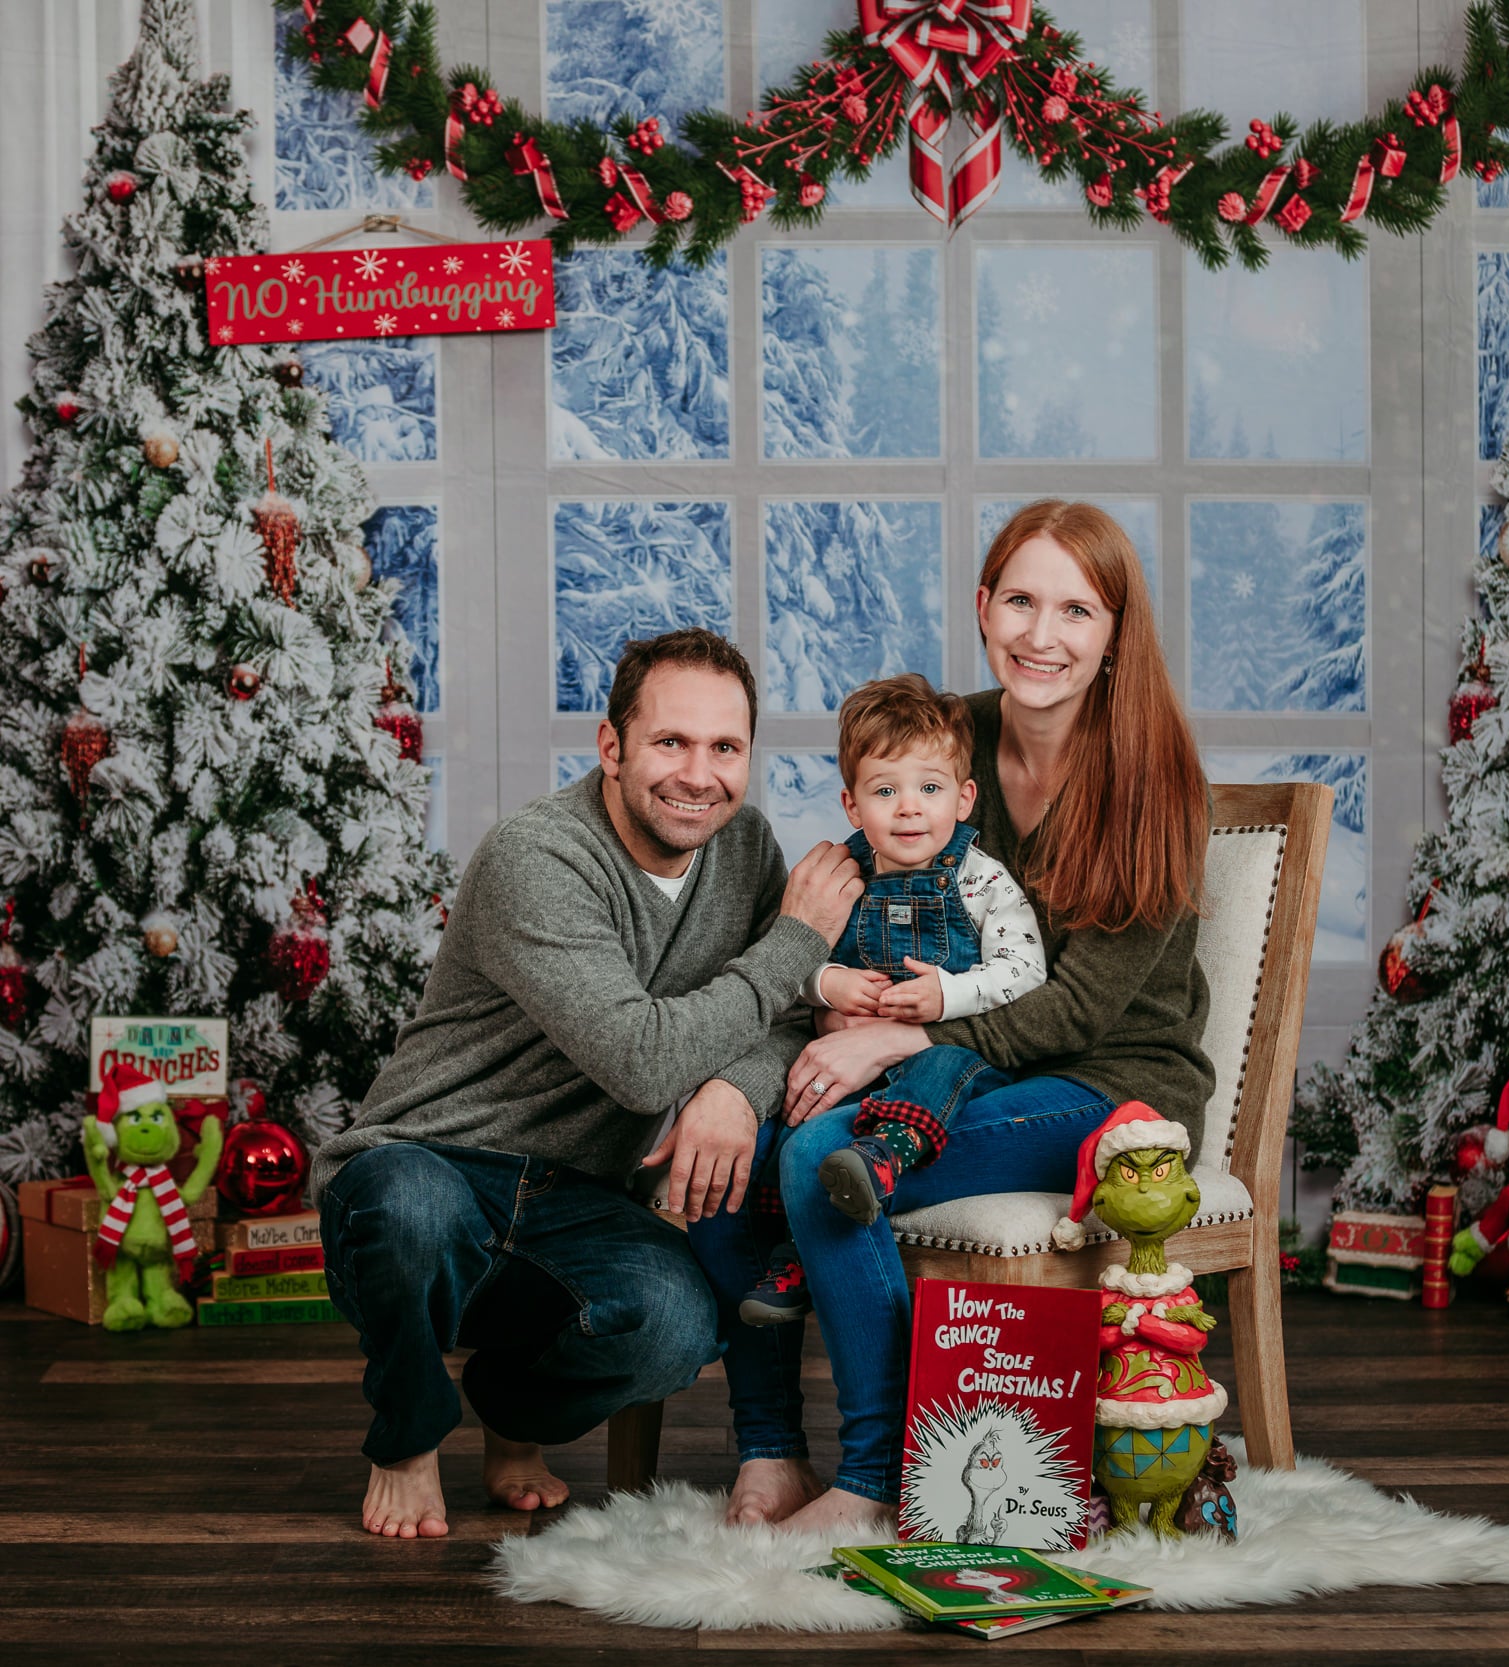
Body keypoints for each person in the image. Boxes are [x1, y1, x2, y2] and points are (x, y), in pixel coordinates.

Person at [689, 500, 1214, 1533]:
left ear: (1114, 635)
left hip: (1107, 1089)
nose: (1041, 634)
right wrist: (822, 958)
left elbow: (1078, 1010)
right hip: (960, 1068)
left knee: (820, 1163)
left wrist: (905, 1034)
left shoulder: (1155, 781)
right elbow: (875, 856)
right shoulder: (947, 734)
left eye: (1076, 610)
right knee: (733, 1152)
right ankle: (769, 1448)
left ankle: (876, 1474)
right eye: (1019, 600)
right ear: (982, 608)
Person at [311, 628, 862, 1539]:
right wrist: (799, 942)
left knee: (679, 1326)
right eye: (670, 743)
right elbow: (640, 1056)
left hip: (579, 1196)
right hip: (426, 1167)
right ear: (612, 748)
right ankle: (405, 1442)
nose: (699, 774)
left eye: (725, 748)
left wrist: (732, 1090)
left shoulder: (745, 848)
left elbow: (787, 1023)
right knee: (405, 1204)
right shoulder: (539, 856)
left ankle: (512, 1416)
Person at [737, 673, 1046, 1326]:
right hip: (859, 1063)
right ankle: (791, 1258)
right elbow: (784, 966)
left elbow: (1026, 970)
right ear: (853, 805)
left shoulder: (981, 878)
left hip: (956, 1060)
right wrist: (828, 983)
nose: (909, 808)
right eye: (886, 791)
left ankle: (889, 1155)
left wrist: (947, 994)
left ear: (963, 799)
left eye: (929, 789)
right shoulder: (842, 875)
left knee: (935, 1066)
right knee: (799, 1103)